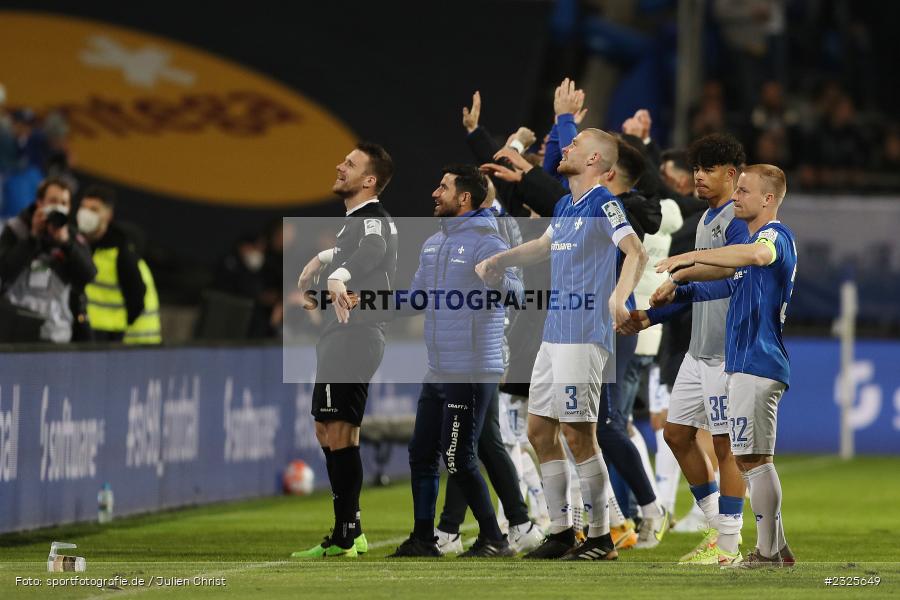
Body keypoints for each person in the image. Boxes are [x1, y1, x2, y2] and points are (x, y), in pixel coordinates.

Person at [477, 129, 649, 560]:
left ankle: (601, 537)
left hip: (584, 335)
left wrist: (618, 298)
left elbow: (635, 252)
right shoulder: (564, 205)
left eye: (574, 145)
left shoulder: (603, 203)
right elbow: (542, 247)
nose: (566, 148)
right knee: (539, 431)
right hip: (554, 336)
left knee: (578, 434)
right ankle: (560, 531)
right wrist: (500, 259)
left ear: (594, 160)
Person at [654, 163, 797, 568]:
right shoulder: (749, 247)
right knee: (753, 459)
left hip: (758, 361)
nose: (736, 196)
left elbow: (757, 254)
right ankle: (776, 547)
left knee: (753, 459)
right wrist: (681, 281)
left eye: (744, 191)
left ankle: (767, 552)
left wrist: (691, 256)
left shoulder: (774, 236)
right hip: (746, 362)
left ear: (767, 199)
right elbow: (723, 278)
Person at [622, 133, 749, 565]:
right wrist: (649, 317)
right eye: (696, 168)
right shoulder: (706, 219)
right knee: (675, 435)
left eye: (708, 169)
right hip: (698, 349)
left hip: (726, 351)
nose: (698, 176)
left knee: (725, 445)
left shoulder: (737, 221)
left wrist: (679, 282)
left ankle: (727, 544)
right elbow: (694, 291)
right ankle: (716, 527)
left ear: (731, 175)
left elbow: (732, 282)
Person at [389, 165, 522, 559]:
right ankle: (423, 538)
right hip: (439, 368)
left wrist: (497, 279)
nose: (435, 192)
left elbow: (517, 293)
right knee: (421, 452)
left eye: (443, 187)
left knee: (459, 456)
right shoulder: (434, 243)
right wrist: (369, 302)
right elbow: (417, 298)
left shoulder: (488, 241)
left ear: (464, 198)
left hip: (473, 367)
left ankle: (495, 539)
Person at [292, 142, 397, 558]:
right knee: (328, 429)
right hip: (345, 335)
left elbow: (373, 249)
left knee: (337, 430)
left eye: (350, 164)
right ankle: (350, 529)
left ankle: (347, 534)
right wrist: (321, 259)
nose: (340, 166)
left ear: (369, 180)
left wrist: (338, 274)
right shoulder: (358, 220)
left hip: (356, 335)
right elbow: (356, 246)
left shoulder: (372, 218)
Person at [433, 178, 544, 555]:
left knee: (469, 444)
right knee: (481, 441)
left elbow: (516, 291)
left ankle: (474, 529)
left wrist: (503, 346)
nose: (438, 194)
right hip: (466, 351)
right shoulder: (455, 231)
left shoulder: (500, 226)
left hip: (483, 351)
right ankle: (513, 524)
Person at [0, 176, 96, 342]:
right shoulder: (17, 229)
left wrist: (66, 244)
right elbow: (4, 271)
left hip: (55, 333)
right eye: (53, 201)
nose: (59, 207)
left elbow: (88, 276)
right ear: (40, 203)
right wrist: (32, 238)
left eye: (64, 203)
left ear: (69, 208)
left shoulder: (72, 237)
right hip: (15, 329)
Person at [78, 184, 161, 344]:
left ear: (108, 215)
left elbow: (137, 297)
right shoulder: (76, 245)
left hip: (109, 336)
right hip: (82, 330)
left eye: (94, 209)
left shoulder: (120, 253)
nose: (86, 214)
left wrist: (119, 325)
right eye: (83, 207)